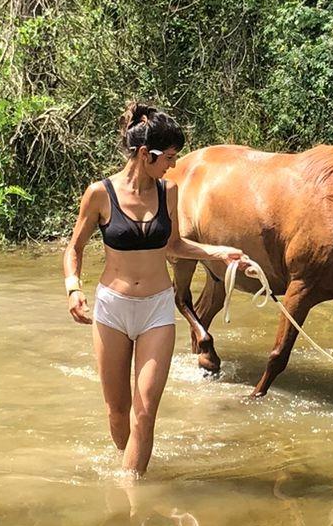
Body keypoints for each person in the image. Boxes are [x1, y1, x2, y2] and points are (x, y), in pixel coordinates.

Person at [63, 102, 254, 478]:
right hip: (113, 309)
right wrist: (73, 288)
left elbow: (174, 247)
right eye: (167, 157)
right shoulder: (99, 194)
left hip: (156, 310)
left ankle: (132, 494)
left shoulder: (169, 192)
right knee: (118, 411)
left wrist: (218, 252)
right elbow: (75, 247)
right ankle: (128, 467)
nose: (172, 164)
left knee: (145, 410)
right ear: (142, 154)